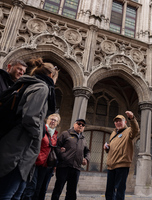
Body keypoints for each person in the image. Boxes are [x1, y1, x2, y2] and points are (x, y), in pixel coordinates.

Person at [0, 58, 59, 200]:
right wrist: (38, 134)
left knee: (17, 192)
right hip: (21, 148)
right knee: (9, 193)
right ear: (51, 75)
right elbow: (30, 117)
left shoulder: (25, 83)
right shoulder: (42, 87)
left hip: (14, 143)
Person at [22, 113, 61, 200]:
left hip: (47, 165)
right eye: (51, 119)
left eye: (55, 120)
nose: (53, 121)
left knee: (41, 189)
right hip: (36, 162)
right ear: (47, 120)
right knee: (32, 187)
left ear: (57, 123)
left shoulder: (55, 135)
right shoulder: (42, 130)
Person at [104, 111, 139, 200]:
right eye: (116, 121)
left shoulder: (129, 131)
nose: (118, 123)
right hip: (111, 165)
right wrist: (107, 148)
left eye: (120, 121)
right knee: (109, 190)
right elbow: (113, 148)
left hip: (122, 164)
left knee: (119, 189)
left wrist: (132, 118)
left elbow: (136, 130)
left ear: (125, 122)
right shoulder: (113, 133)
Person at [51, 119, 90, 200]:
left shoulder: (83, 139)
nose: (81, 126)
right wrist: (63, 156)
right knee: (58, 188)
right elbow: (57, 147)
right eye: (79, 124)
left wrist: (86, 159)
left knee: (72, 192)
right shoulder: (65, 134)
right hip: (63, 166)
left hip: (76, 168)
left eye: (83, 125)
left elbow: (87, 151)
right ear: (74, 124)